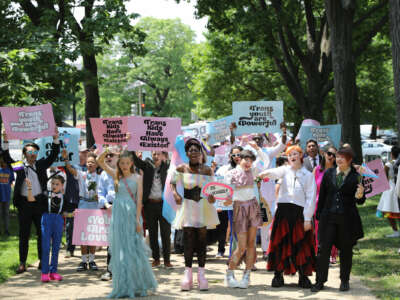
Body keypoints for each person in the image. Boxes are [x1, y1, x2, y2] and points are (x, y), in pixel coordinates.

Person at [97, 150, 157, 298]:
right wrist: (107, 150)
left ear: (131, 164)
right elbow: (99, 161)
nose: (124, 166)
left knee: (133, 249)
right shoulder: (116, 175)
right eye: (122, 163)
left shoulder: (138, 178)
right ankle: (122, 285)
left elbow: (139, 201)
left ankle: (138, 285)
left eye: (127, 163)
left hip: (131, 214)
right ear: (119, 164)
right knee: (120, 250)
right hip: (118, 214)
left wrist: (137, 220)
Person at [1, 130, 60, 274]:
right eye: (30, 152)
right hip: (24, 205)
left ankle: (42, 260)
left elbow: (52, 155)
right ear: (25, 154)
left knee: (42, 233)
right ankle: (22, 263)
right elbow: (7, 158)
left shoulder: (41, 165)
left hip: (39, 204)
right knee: (24, 234)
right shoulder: (19, 166)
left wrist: (55, 138)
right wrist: (5, 140)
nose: (33, 154)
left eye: (35, 152)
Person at [258, 145, 317, 289]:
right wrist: (263, 174)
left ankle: (303, 276)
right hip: (283, 211)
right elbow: (273, 172)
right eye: (290, 154)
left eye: (295, 154)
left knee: (301, 243)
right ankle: (278, 275)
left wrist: (308, 218)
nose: (292, 156)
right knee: (280, 243)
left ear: (301, 156)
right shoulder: (284, 170)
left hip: (300, 213)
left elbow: (311, 196)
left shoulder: (308, 175)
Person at [311, 147, 365, 292]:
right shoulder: (329, 173)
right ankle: (319, 281)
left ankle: (345, 280)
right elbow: (322, 195)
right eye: (338, 156)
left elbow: (360, 201)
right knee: (323, 250)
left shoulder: (357, 176)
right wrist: (319, 215)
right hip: (328, 218)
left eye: (343, 157)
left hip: (347, 219)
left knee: (346, 251)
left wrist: (360, 195)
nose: (339, 159)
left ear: (350, 160)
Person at [171, 138, 219, 291]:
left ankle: (202, 275)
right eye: (191, 150)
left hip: (203, 207)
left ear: (200, 153)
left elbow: (213, 189)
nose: (194, 153)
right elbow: (172, 182)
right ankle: (188, 274)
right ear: (186, 153)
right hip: (188, 207)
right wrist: (175, 194)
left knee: (202, 241)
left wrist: (213, 197)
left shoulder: (207, 170)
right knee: (188, 241)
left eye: (196, 150)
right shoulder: (181, 168)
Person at [224, 143, 269, 289]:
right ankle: (230, 273)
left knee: (251, 245)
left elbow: (266, 161)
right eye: (246, 160)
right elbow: (224, 195)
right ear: (239, 159)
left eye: (251, 160)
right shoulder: (230, 174)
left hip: (253, 207)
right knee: (241, 246)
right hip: (239, 208)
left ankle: (247, 275)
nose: (248, 163)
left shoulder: (253, 171)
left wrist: (257, 148)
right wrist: (226, 200)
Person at [131, 150, 172, 269]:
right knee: (152, 233)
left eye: (159, 154)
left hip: (164, 204)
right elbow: (135, 160)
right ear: (151, 155)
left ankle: (167, 260)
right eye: (154, 154)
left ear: (163, 155)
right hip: (150, 204)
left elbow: (178, 159)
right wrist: (132, 145)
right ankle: (156, 259)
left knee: (166, 233)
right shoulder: (147, 166)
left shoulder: (168, 166)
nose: (156, 156)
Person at [65, 152, 101, 272]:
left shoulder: (100, 177)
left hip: (94, 205)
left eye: (92, 162)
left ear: (96, 164)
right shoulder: (81, 174)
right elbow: (70, 169)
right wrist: (66, 158)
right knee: (83, 234)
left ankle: (91, 260)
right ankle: (83, 260)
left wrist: (99, 197)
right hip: (83, 204)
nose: (90, 163)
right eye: (88, 162)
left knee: (92, 233)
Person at [27, 175, 65, 282]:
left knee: (56, 247)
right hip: (46, 220)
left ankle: (53, 272)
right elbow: (31, 199)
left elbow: (65, 212)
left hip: (58, 221)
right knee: (46, 247)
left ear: (62, 186)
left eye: (57, 184)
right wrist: (29, 188)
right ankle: (44, 272)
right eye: (53, 183)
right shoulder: (44, 195)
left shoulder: (63, 197)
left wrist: (72, 213)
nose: (54, 186)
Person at [215, 146, 243, 259]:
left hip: (240, 203)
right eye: (234, 155)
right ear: (230, 156)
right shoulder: (223, 169)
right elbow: (218, 184)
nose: (237, 157)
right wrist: (218, 203)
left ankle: (238, 254)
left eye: (239, 154)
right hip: (225, 203)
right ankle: (221, 250)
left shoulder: (246, 168)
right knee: (222, 226)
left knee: (238, 229)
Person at [314, 145, 339, 264]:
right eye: (329, 153)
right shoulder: (317, 170)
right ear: (324, 153)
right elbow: (312, 189)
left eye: (334, 155)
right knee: (319, 230)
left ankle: (332, 254)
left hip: (333, 205)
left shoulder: (338, 171)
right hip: (318, 205)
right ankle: (319, 252)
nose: (331, 156)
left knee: (332, 230)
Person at [98, 147, 119, 281]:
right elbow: (100, 192)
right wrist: (106, 204)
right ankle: (110, 270)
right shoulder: (103, 175)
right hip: (110, 209)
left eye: (111, 155)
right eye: (107, 155)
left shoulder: (125, 172)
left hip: (124, 209)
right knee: (111, 242)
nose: (108, 157)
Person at [378, 146, 400, 237]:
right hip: (398, 186)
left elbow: (384, 178)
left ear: (391, 154)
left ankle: (395, 231)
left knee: (388, 210)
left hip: (390, 188)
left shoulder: (388, 164)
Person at [0, 151, 14, 236]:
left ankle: (6, 230)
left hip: (7, 196)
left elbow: (12, 181)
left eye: (4, 162)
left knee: (6, 213)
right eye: (2, 162)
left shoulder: (10, 171)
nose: (3, 163)